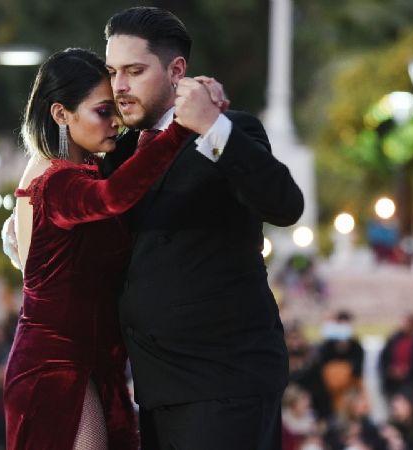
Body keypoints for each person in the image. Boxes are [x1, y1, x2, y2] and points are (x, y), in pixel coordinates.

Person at [1, 47, 227, 449]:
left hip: (92, 365)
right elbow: (113, 198)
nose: (115, 122)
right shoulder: (54, 181)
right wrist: (179, 128)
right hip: (56, 368)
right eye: (103, 111)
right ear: (60, 114)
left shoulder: (75, 172)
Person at [102, 7, 304, 450]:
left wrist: (213, 126)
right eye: (113, 71)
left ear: (177, 71)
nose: (119, 86)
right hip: (156, 387)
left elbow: (286, 205)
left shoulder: (231, 131)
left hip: (226, 380)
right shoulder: (116, 153)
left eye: (135, 71)